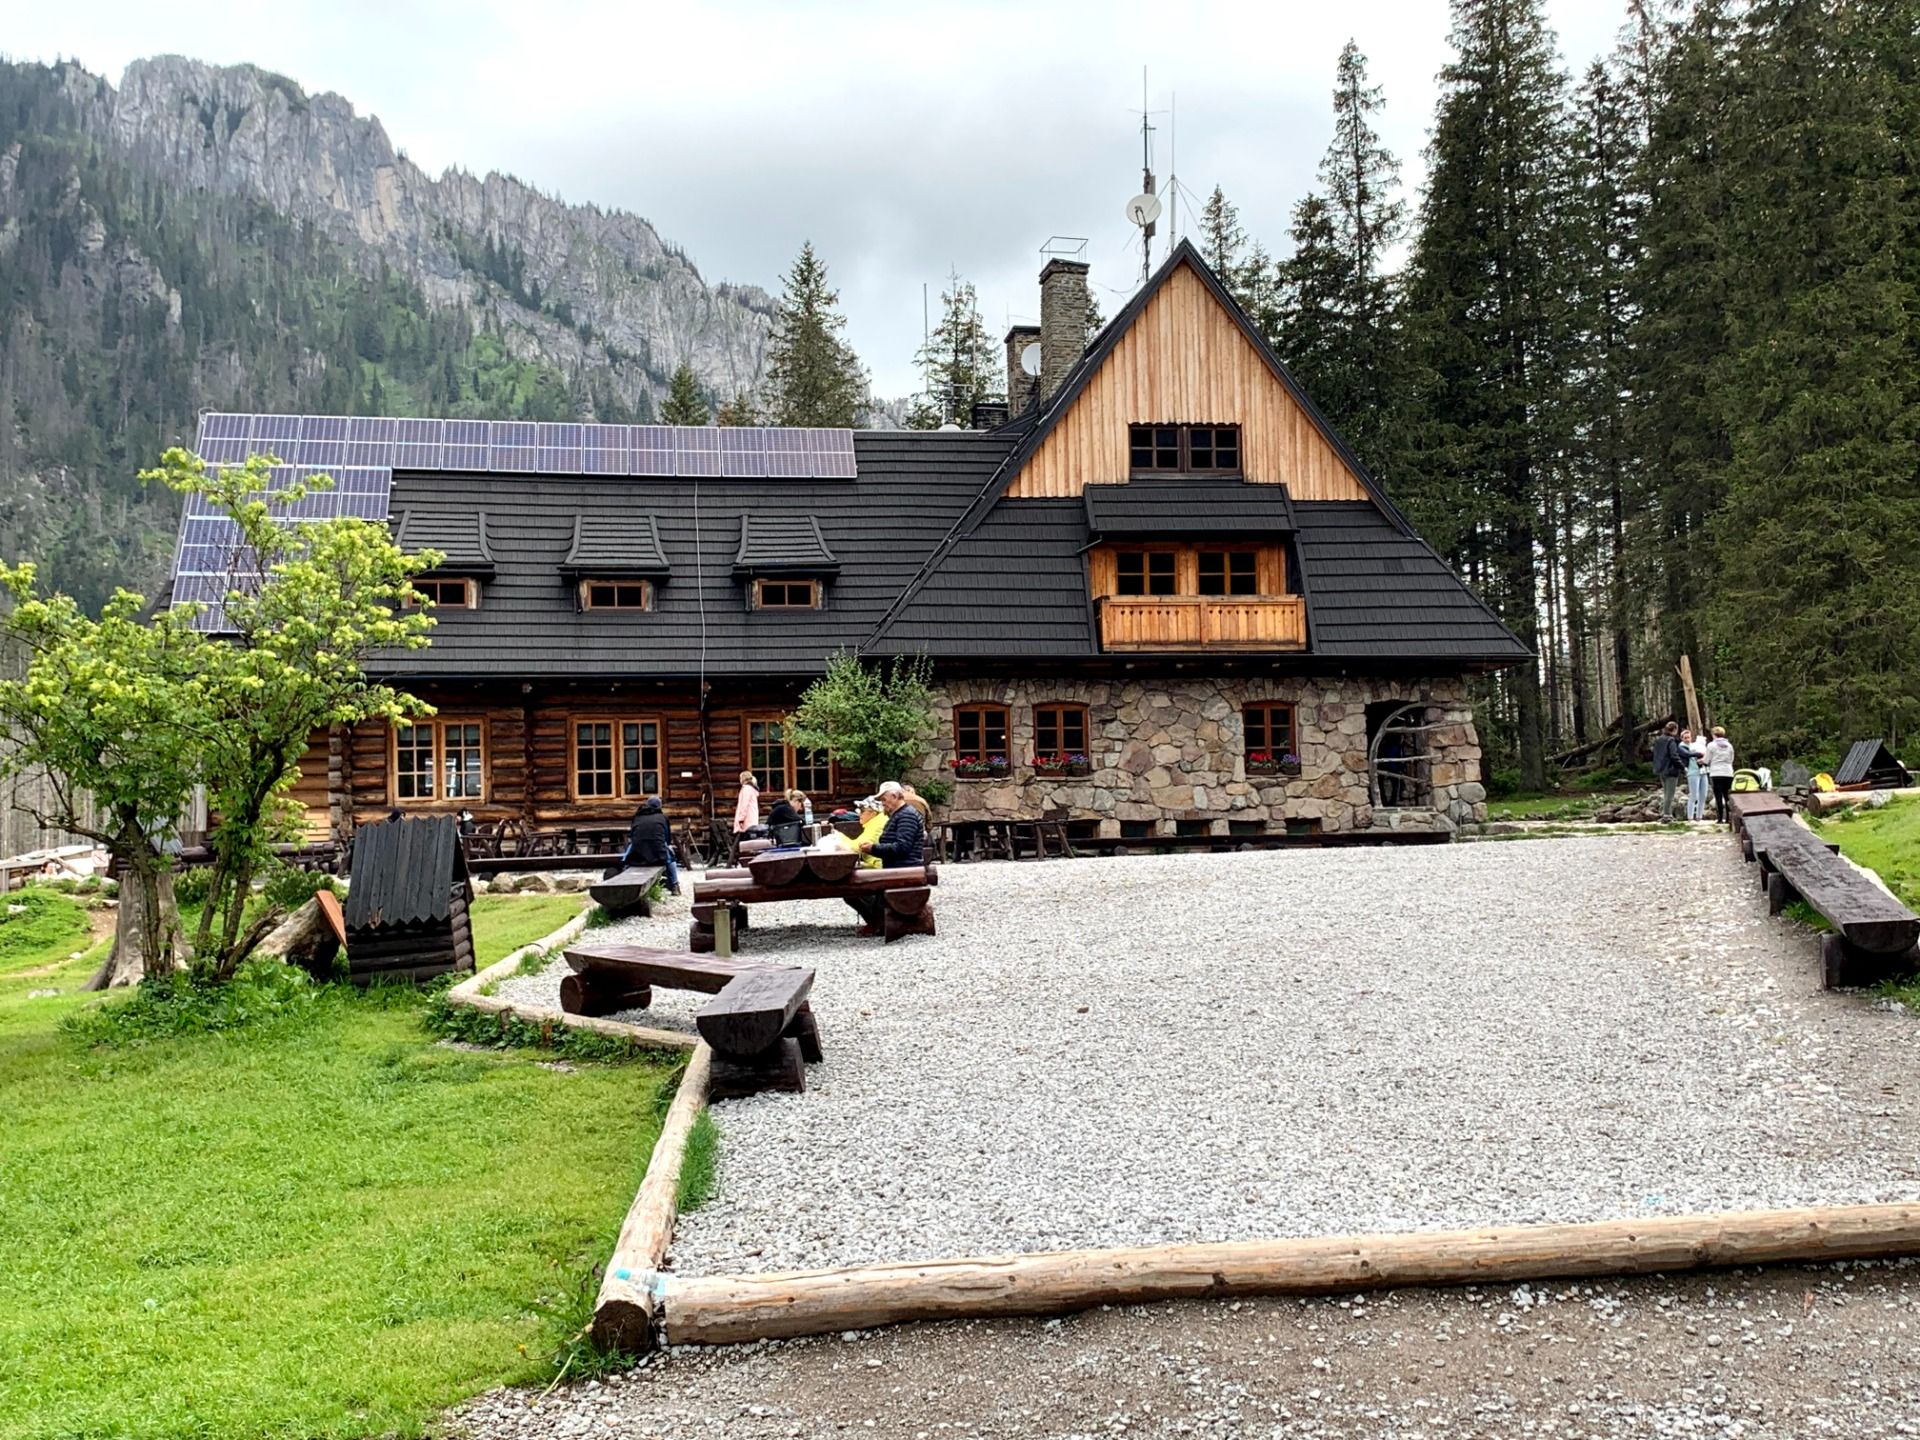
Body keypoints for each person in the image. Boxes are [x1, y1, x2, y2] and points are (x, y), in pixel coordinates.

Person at [848, 782, 925, 934]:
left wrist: (873, 848)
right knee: (855, 885)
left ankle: (879, 922)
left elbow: (902, 848)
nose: (882, 804)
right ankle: (878, 921)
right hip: (898, 867)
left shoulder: (906, 816)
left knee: (853, 887)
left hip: (903, 869)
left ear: (895, 796)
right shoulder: (900, 814)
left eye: (884, 800)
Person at [621, 794, 680, 894]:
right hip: (658, 856)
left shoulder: (637, 817)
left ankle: (622, 865)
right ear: (659, 806)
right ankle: (675, 885)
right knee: (671, 858)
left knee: (632, 846)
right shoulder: (662, 818)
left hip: (637, 857)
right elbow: (667, 839)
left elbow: (633, 835)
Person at [1651, 721, 1689, 821]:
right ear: (1674, 730)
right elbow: (1674, 756)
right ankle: (1667, 815)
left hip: (1661, 769)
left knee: (1665, 793)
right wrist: (1682, 767)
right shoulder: (1671, 740)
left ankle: (1665, 813)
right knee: (1670, 794)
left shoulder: (1659, 739)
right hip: (1671, 770)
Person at [1704, 725, 1736, 824]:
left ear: (1714, 735)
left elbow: (1706, 759)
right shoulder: (1729, 745)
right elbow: (1731, 759)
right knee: (1727, 796)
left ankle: (1720, 818)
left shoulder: (1711, 745)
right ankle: (1729, 818)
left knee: (1718, 796)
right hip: (1728, 772)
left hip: (1716, 772)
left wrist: (1703, 761)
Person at [731, 770, 760, 863]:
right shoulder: (751, 789)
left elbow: (744, 805)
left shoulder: (747, 789)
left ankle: (744, 860)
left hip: (747, 819)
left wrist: (741, 819)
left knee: (744, 841)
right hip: (751, 818)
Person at [851, 795, 887, 869]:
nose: (859, 814)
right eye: (858, 810)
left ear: (873, 813)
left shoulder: (877, 824)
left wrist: (838, 838)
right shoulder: (876, 821)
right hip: (877, 864)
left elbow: (857, 846)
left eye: (862, 811)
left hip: (880, 867)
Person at [1683, 727, 1709, 822]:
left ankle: (1699, 816)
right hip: (1693, 772)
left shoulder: (1702, 747)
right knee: (1694, 795)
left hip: (1703, 772)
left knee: (1703, 795)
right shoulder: (1686, 747)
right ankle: (1690, 817)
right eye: (1685, 737)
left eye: (1689, 737)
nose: (1688, 739)